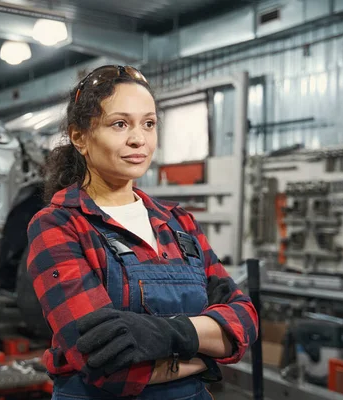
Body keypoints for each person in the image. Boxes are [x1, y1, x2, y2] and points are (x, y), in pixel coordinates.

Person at [26, 65, 259, 399]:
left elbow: (244, 320)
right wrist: (205, 355)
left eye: (148, 124)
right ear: (79, 137)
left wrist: (167, 333)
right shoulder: (59, 225)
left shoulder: (179, 222)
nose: (139, 139)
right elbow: (107, 366)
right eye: (120, 124)